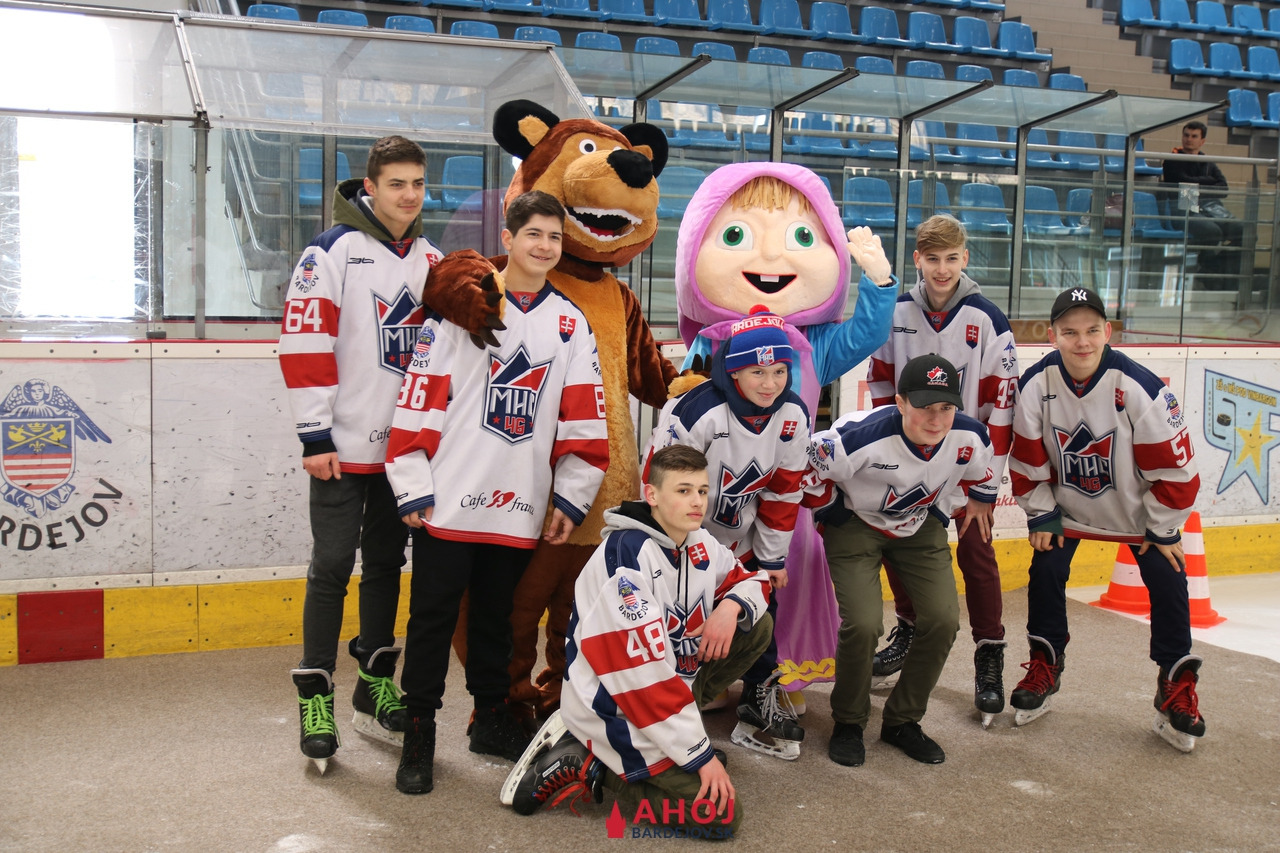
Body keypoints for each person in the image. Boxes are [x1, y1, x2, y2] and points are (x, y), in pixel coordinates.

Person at [384, 190, 609, 794]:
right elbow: (418, 398)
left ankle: (489, 720)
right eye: (533, 233)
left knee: (496, 620)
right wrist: (411, 483)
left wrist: (571, 496)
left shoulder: (569, 323)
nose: (545, 246)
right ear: (507, 238)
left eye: (554, 237)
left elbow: (584, 418)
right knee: (431, 621)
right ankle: (419, 734)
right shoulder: (462, 309)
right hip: (449, 500)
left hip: (518, 504)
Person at [501, 445, 771, 838]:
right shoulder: (625, 561)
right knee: (719, 816)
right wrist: (700, 755)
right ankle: (588, 761)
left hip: (663, 692)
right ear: (652, 495)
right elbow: (642, 679)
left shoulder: (699, 541)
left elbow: (755, 582)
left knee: (755, 624)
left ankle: (675, 736)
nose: (697, 502)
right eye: (683, 491)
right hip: (617, 706)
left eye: (702, 490)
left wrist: (730, 607)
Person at [279, 135, 445, 773]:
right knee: (330, 565)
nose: (409, 195)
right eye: (396, 183)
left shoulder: (432, 259)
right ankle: (315, 694)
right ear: (369, 187)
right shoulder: (331, 252)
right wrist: (314, 434)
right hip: (341, 449)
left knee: (385, 564)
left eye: (418, 183)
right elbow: (305, 341)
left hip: (402, 453)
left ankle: (374, 682)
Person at [1007, 287, 1206, 752]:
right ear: (1052, 335)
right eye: (1070, 332)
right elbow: (1027, 462)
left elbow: (1179, 472)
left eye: (1092, 330)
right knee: (1046, 569)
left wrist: (1162, 527)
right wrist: (1042, 514)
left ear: (1108, 332)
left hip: (1138, 516)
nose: (1082, 341)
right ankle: (1045, 664)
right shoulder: (1035, 385)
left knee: (1169, 574)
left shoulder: (1139, 387)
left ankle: (1175, 683)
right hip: (1069, 512)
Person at [865, 215, 1018, 727]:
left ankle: (989, 653)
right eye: (932, 259)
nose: (942, 268)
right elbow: (882, 383)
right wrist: (892, 449)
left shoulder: (988, 318)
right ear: (917, 260)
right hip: (912, 457)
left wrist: (986, 486)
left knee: (976, 552)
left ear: (965, 258)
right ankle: (908, 629)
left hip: (968, 462)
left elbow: (1002, 406)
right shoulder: (897, 312)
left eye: (952, 258)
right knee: (899, 542)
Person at [807, 353, 994, 767]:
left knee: (942, 620)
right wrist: (830, 513)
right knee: (863, 623)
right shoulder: (858, 435)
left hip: (919, 526)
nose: (936, 419)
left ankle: (902, 721)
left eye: (945, 408)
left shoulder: (970, 436)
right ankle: (849, 721)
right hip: (855, 524)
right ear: (900, 401)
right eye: (924, 407)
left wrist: (965, 504)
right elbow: (807, 471)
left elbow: (982, 475)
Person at [645, 306, 810, 759]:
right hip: (682, 536)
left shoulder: (793, 415)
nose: (770, 384)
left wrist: (771, 559)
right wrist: (677, 549)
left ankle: (758, 695)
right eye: (758, 371)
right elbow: (662, 487)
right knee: (675, 622)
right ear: (733, 371)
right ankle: (665, 704)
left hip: (742, 538)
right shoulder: (694, 411)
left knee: (762, 609)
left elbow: (783, 492)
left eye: (779, 371)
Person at [1160, 121, 1245, 289]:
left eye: (1194, 136)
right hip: (1183, 208)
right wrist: (1208, 182)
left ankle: (1212, 267)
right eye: (1186, 135)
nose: (1189, 139)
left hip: (1210, 208)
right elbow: (1182, 182)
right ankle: (1212, 270)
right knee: (1212, 231)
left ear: (1202, 141)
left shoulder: (1208, 162)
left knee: (1245, 232)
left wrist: (1195, 185)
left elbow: (1223, 189)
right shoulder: (1172, 160)